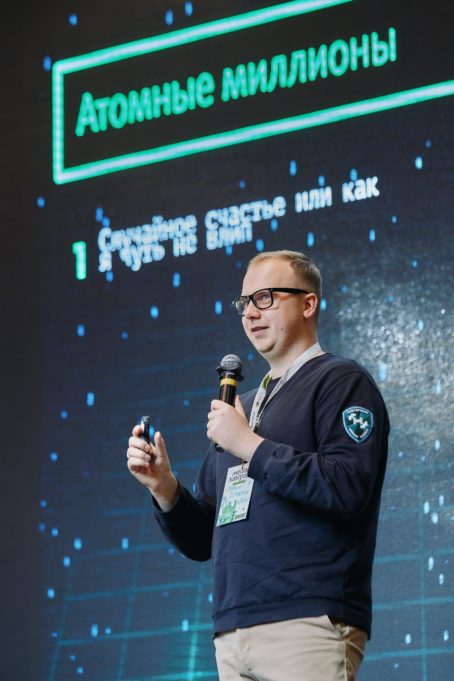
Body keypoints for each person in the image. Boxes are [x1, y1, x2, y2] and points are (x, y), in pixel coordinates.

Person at [127, 250, 389, 681]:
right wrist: (164, 487)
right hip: (233, 632)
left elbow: (346, 487)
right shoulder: (240, 408)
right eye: (244, 302)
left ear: (308, 304)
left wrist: (248, 444)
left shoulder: (341, 382)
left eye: (265, 297)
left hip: (306, 620)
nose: (250, 313)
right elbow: (203, 539)